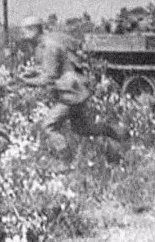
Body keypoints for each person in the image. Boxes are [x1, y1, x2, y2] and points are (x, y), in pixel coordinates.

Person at [17, 15, 128, 162]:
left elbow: (49, 77)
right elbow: (50, 68)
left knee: (48, 126)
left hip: (71, 93)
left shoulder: (49, 46)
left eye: (25, 30)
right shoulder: (43, 44)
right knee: (82, 129)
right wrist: (32, 73)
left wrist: (25, 81)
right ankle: (116, 132)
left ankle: (65, 161)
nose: (23, 34)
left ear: (34, 30)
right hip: (73, 91)